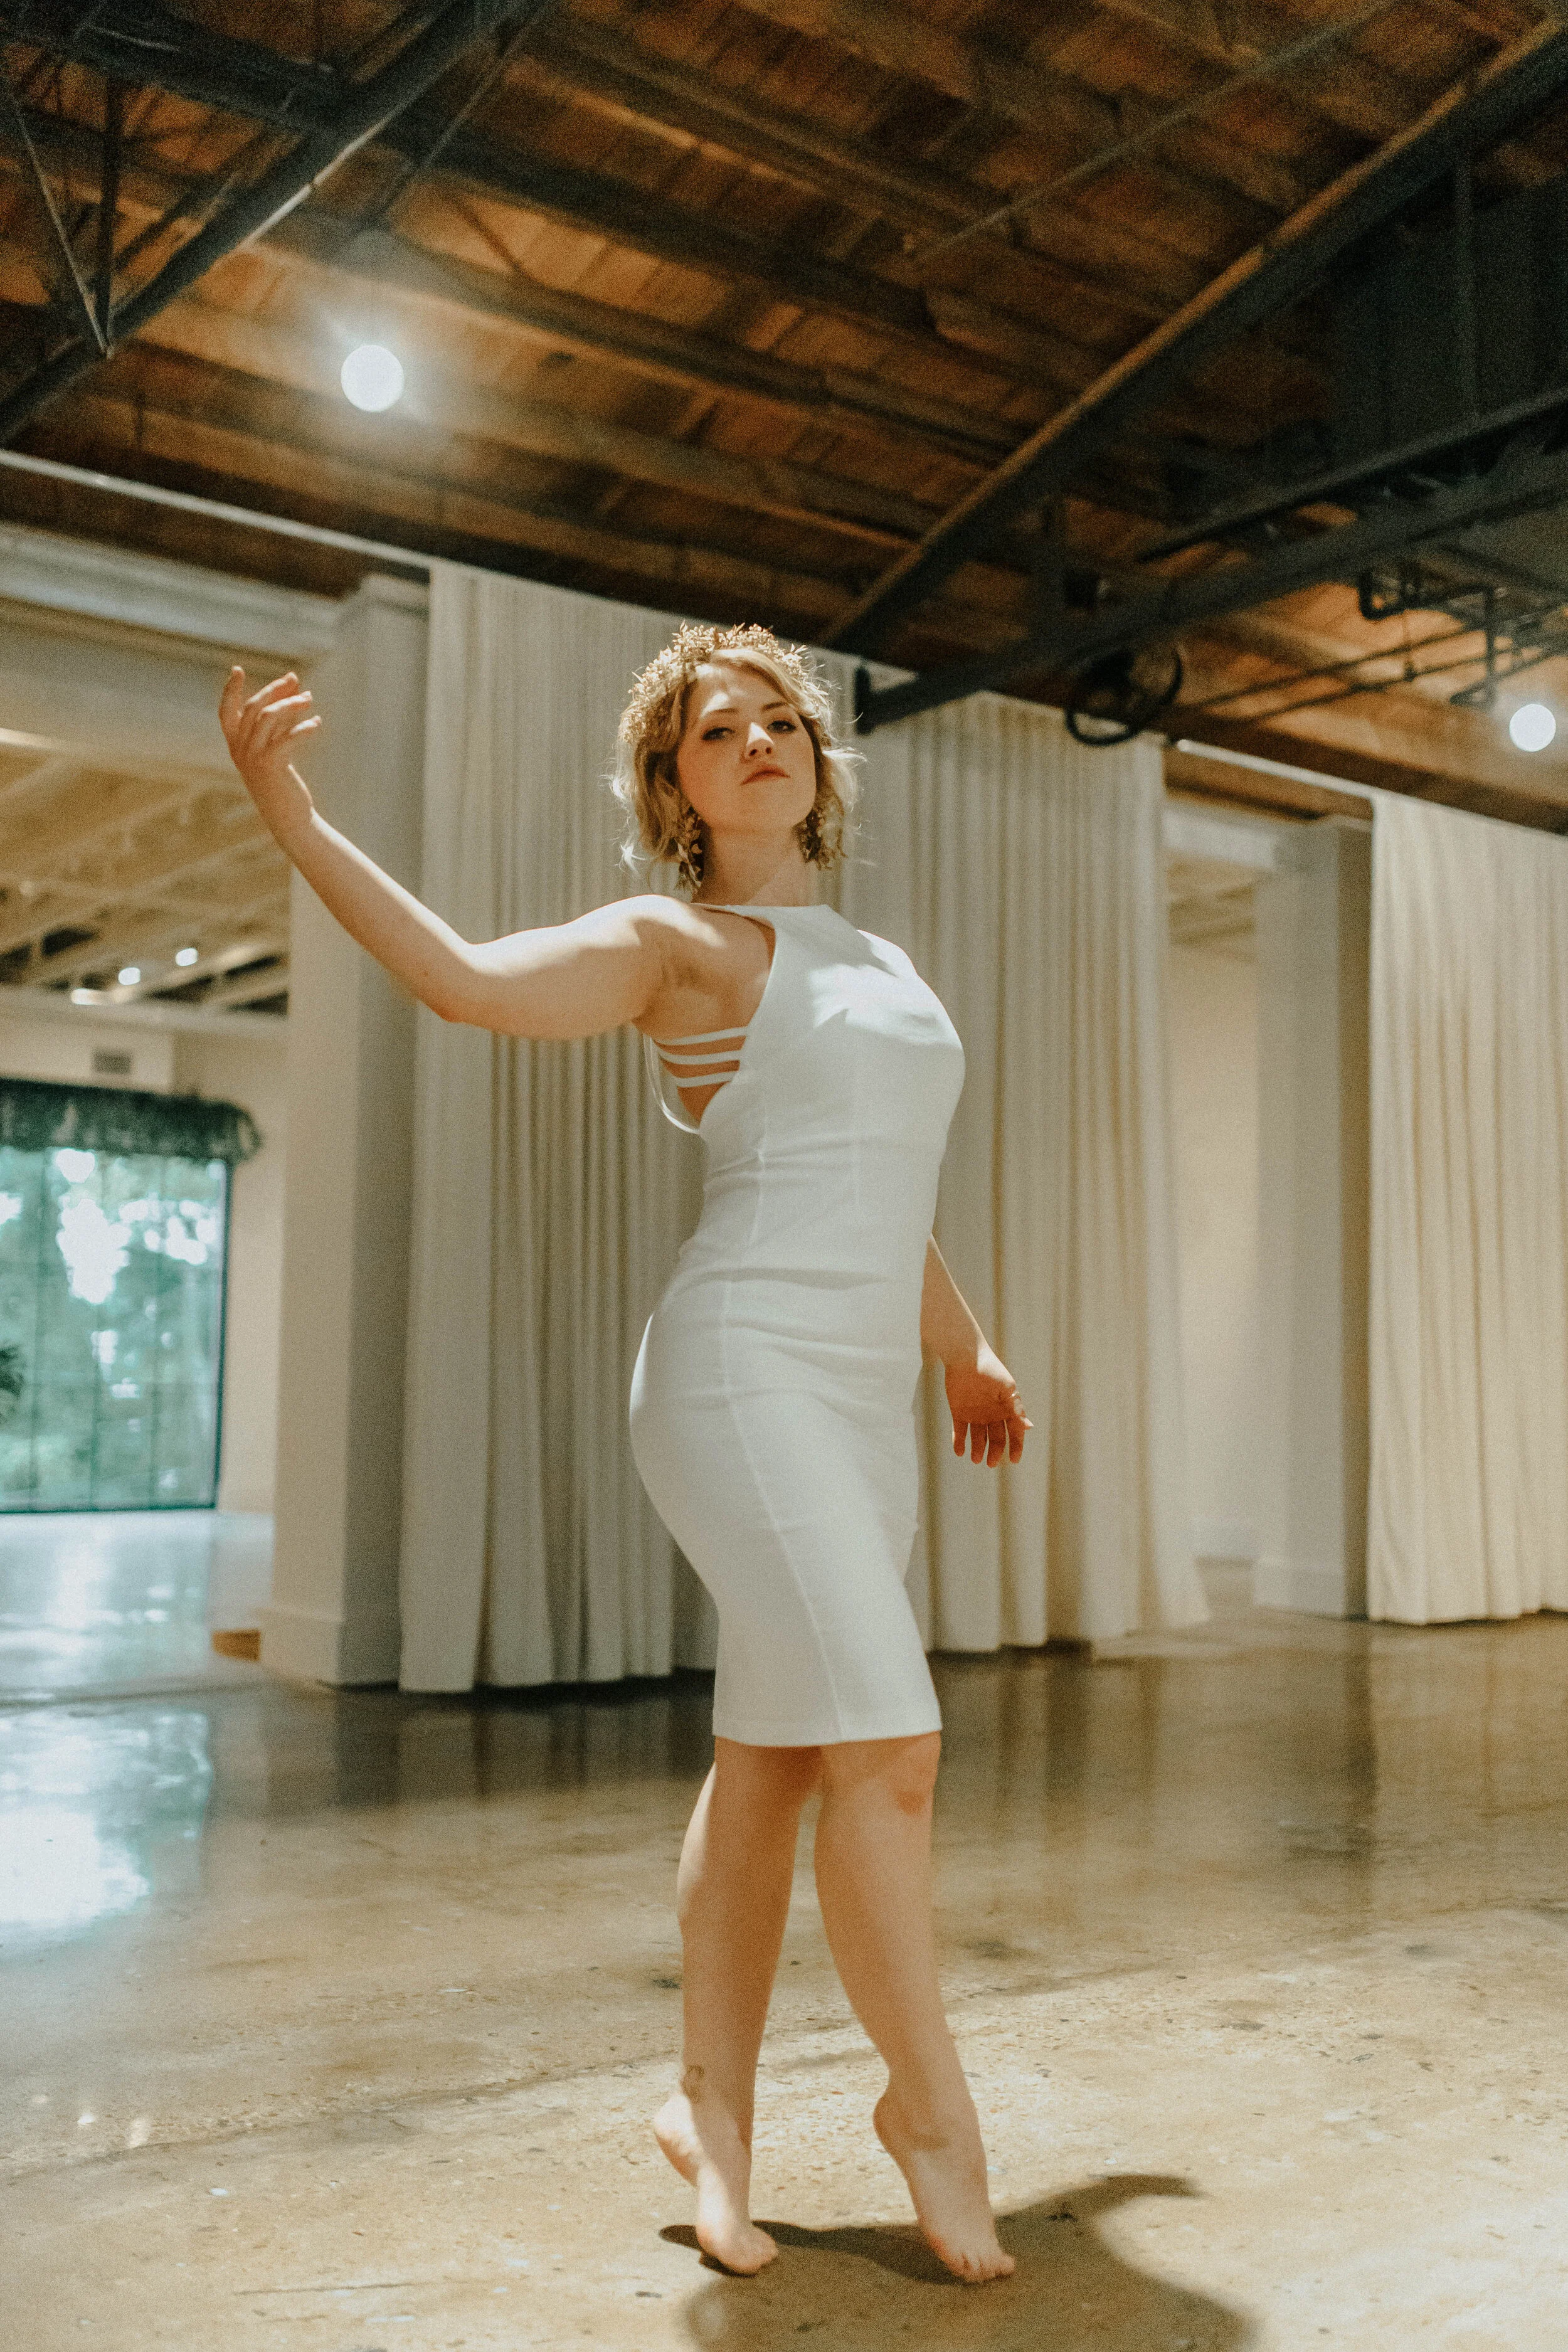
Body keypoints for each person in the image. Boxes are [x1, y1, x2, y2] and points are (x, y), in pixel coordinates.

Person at [218, 620, 1029, 2285]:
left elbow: (879, 1182)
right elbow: (462, 978)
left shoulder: (877, 958)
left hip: (861, 1395)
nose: (757, 740)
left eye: (777, 718)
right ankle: (932, 2114)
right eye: (716, 730)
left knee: (778, 1757)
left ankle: (708, 2115)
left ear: (815, 756)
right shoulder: (679, 943)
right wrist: (291, 813)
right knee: (890, 1748)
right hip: (740, 1376)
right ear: (675, 783)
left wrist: (964, 1344)